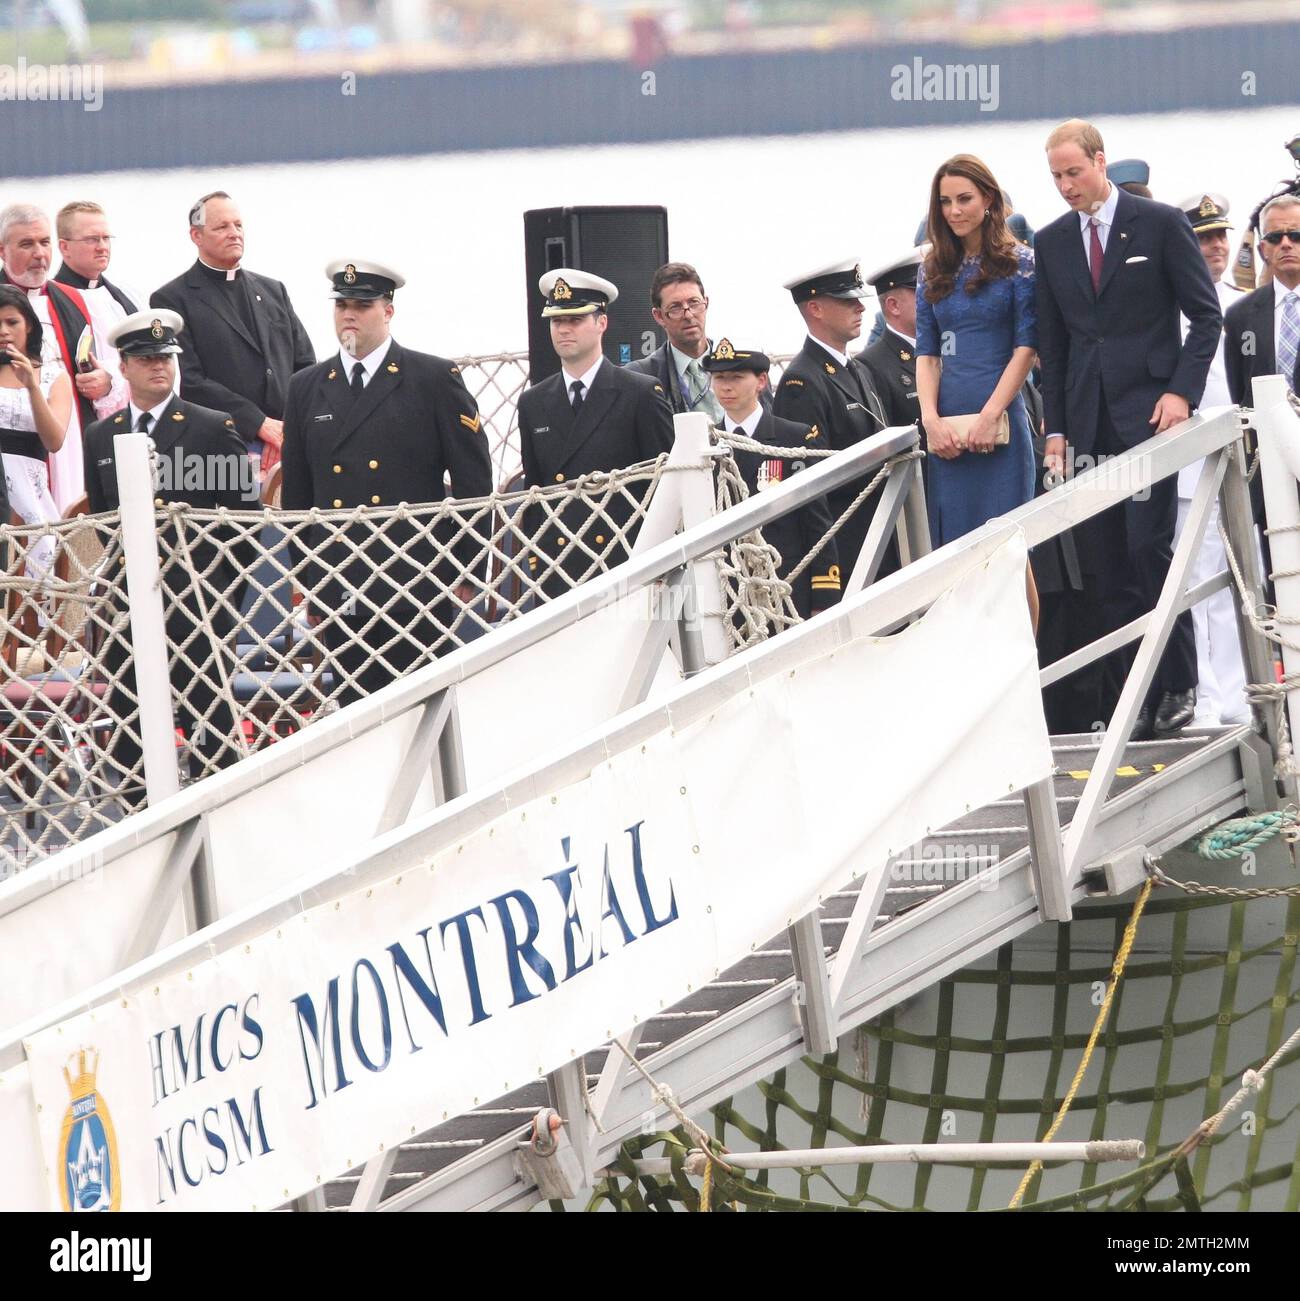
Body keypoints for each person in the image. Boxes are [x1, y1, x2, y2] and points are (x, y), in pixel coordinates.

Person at [1035, 118, 1222, 740]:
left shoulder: (1162, 223)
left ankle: (1179, 683)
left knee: (1149, 552)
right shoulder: (1054, 242)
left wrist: (1180, 393)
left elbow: (1205, 317)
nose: (1065, 186)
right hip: (1086, 426)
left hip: (1148, 418)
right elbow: (1054, 348)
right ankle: (1132, 696)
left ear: (1100, 162)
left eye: (1073, 172)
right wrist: (1055, 430)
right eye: (1056, 176)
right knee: (1105, 566)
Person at [281, 259, 493, 704]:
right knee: (352, 707)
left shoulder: (432, 378)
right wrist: (307, 579)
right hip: (340, 578)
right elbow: (299, 497)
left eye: (362, 304)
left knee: (423, 703)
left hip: (415, 576)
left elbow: (473, 480)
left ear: (388, 311)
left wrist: (468, 569)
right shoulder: (306, 387)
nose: (349, 315)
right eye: (341, 306)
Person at [84, 310, 253, 806]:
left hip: (197, 602)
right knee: (132, 723)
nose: (159, 366)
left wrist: (223, 598)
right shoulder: (101, 436)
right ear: (126, 366)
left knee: (210, 726)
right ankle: (139, 817)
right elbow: (102, 520)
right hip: (129, 606)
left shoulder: (210, 427)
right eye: (146, 358)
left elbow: (242, 526)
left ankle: (220, 815)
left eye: (166, 357)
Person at [517, 268, 675, 599]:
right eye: (556, 321)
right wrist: (540, 559)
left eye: (575, 319)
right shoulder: (533, 402)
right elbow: (536, 493)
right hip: (559, 570)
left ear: (601, 322)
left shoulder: (640, 394)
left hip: (625, 566)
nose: (563, 329)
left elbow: (664, 488)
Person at [914, 155, 1038, 552]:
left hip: (1000, 423)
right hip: (947, 430)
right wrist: (930, 420)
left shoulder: (1021, 264)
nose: (954, 211)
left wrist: (991, 415)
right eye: (945, 202)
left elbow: (1027, 348)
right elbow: (927, 354)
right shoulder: (931, 268)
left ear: (988, 199)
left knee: (1009, 554)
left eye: (964, 199)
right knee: (955, 557)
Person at [151, 192, 315, 475]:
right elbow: (190, 380)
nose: (234, 233)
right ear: (196, 236)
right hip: (221, 448)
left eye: (238, 225)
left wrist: (285, 429)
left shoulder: (274, 290)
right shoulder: (172, 300)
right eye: (222, 227)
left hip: (286, 444)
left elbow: (306, 366)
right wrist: (259, 424)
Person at [1172, 193, 1249, 726]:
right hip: (1192, 465)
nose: (1217, 246)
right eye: (1203, 238)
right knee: (1196, 584)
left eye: (1221, 235)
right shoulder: (1171, 308)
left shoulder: (1241, 303)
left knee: (1245, 579)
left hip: (1243, 461)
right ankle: (1206, 696)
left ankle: (1241, 695)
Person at [772, 258, 893, 587]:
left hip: (879, 542)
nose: (860, 308)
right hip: (845, 553)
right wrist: (824, 577)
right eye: (846, 300)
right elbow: (810, 487)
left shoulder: (858, 370)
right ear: (816, 309)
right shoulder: (802, 381)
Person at [704, 338, 841, 618]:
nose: (726, 386)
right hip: (727, 590)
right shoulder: (704, 445)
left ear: (761, 381)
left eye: (736, 377)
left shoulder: (794, 438)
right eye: (719, 377)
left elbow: (817, 521)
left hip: (787, 584)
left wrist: (824, 595)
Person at [0, 203, 112, 508]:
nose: (39, 254)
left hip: (73, 430)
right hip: (16, 443)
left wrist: (104, 381)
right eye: (26, 244)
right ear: (2, 250)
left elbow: (104, 362)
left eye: (44, 242)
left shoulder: (74, 299)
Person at [0, 285, 70, 584]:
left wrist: (31, 386)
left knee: (33, 589)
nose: (3, 331)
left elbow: (54, 440)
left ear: (28, 324)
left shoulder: (54, 376)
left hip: (30, 497)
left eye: (11, 322)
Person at [53, 200, 138, 420]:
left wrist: (112, 379)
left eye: (106, 238)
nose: (102, 246)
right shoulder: (52, 301)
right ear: (64, 247)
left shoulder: (126, 297)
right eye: (91, 239)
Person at [625, 262, 725, 422]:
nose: (688, 314)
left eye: (694, 302)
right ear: (658, 316)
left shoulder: (745, 366)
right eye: (675, 307)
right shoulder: (638, 378)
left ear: (706, 303)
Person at [1225, 193, 1300, 405]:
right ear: (1262, 249)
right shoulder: (1239, 316)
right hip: (1267, 434)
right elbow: (1242, 394)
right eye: (1275, 238)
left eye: (1296, 235)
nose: (1286, 244)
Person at [858, 247, 925, 432]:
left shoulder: (947, 349)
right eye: (923, 292)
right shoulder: (870, 365)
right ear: (894, 306)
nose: (935, 297)